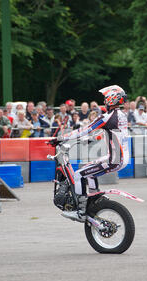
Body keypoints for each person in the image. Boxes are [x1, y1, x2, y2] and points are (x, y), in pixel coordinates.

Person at [50, 85, 130, 222]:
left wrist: (60, 138)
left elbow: (83, 130)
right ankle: (95, 198)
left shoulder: (107, 117)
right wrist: (90, 139)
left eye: (106, 97)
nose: (104, 100)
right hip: (122, 157)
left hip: (114, 159)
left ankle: (80, 212)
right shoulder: (121, 115)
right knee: (87, 168)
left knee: (78, 174)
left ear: (111, 99)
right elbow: (109, 132)